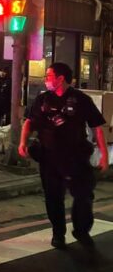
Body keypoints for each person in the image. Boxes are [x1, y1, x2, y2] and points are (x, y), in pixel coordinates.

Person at [18, 62, 109, 249]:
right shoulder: (43, 99)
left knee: (84, 195)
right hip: (49, 158)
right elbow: (29, 122)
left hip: (76, 157)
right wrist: (22, 143)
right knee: (53, 198)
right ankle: (58, 233)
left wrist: (104, 155)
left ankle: (81, 230)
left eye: (49, 76)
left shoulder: (81, 99)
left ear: (60, 79)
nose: (46, 80)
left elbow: (97, 128)